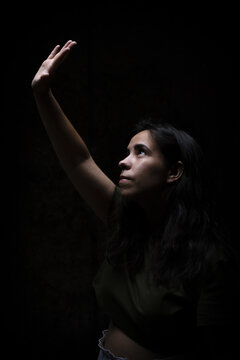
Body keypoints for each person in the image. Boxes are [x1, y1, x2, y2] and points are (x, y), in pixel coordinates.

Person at [31, 40, 237, 360]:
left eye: (140, 152)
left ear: (173, 172)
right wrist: (43, 96)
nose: (123, 162)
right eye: (127, 151)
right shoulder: (124, 218)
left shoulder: (210, 258)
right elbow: (78, 161)